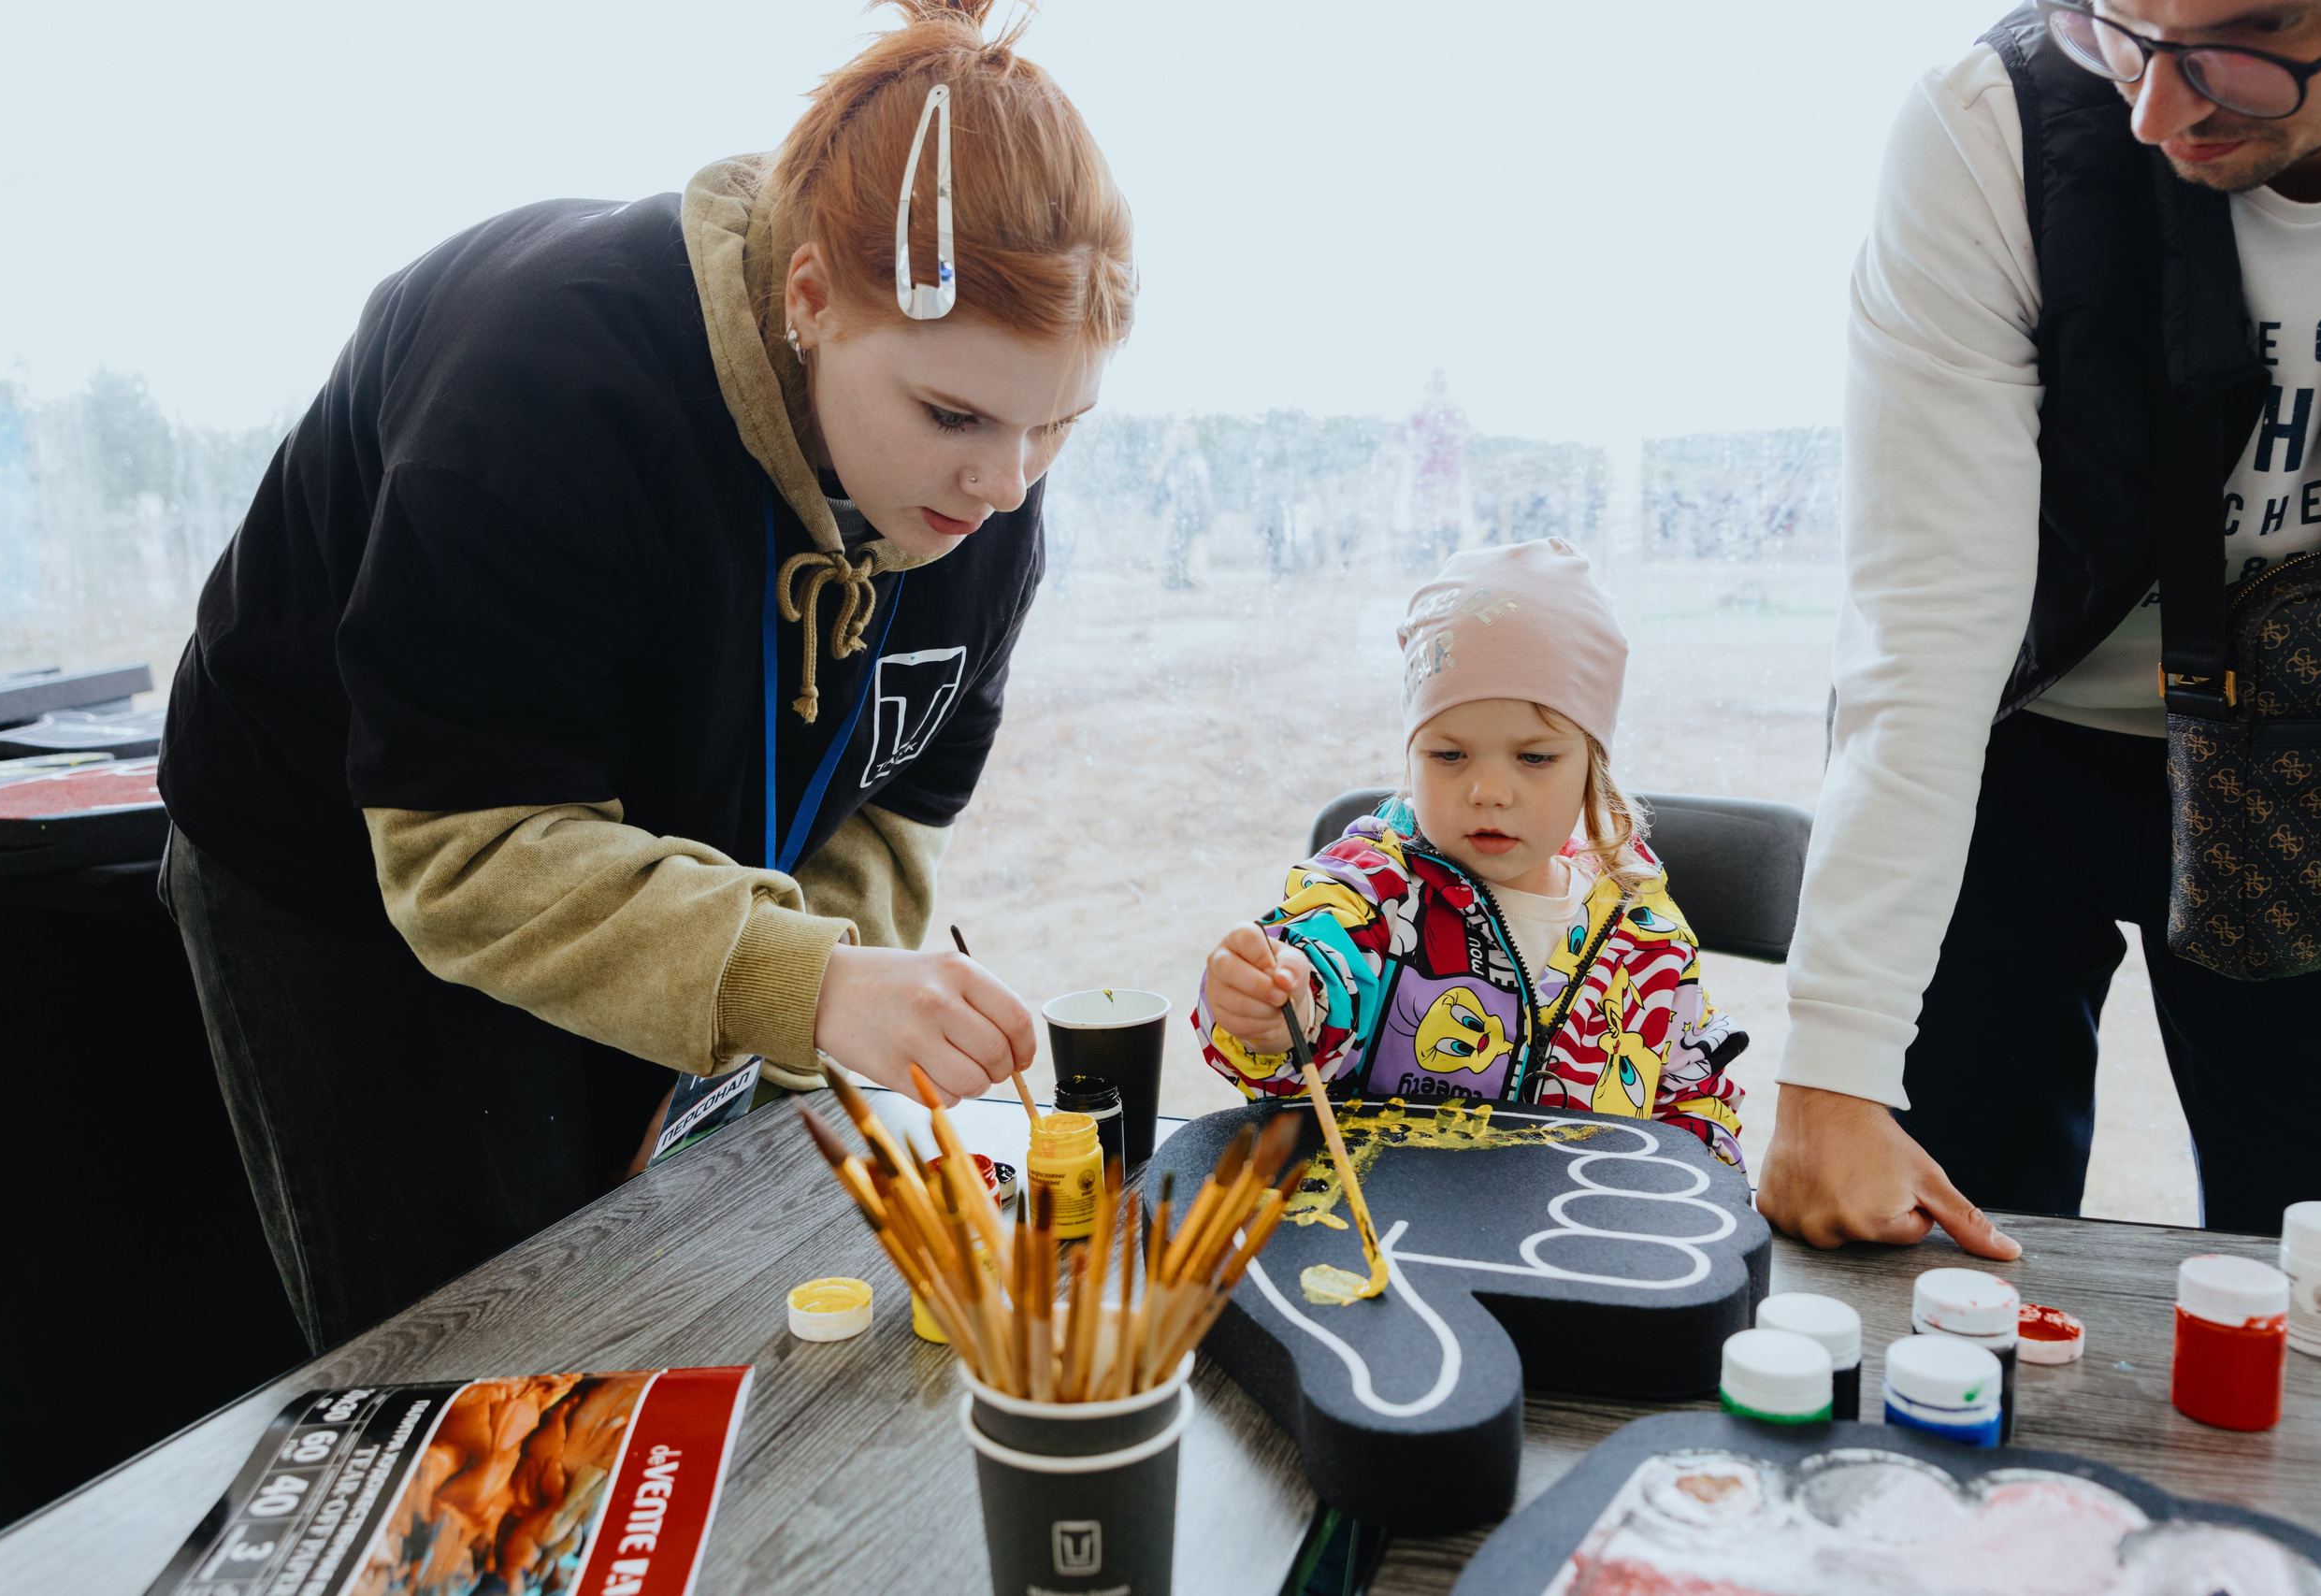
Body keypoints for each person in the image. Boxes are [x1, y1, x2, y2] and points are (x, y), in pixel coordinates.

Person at [155, 0, 1134, 1350]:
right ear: (808, 301)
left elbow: (890, 813)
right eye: (952, 414)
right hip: (351, 870)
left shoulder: (990, 500)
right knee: (473, 1354)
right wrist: (812, 983)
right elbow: (468, 851)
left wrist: (805, 1002)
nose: (1003, 484)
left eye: (1056, 426)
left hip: (643, 846)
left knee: (668, 1270)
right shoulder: (545, 389)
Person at [1764, 0, 2321, 1254]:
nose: (2155, 111)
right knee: (1932, 1231)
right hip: (2013, 739)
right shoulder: (1996, 130)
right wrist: (1833, 1063)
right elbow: (1925, 621)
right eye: (2123, 27)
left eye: (2239, 44)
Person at [1192, 540, 1749, 1168]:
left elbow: (1692, 1095)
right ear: (1411, 753)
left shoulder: (1645, 934)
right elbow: (1316, 970)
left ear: (1592, 766)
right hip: (1385, 1244)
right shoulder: (1375, 889)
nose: (1487, 791)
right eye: (1448, 755)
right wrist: (1277, 1006)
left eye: (1534, 757)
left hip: (1580, 1248)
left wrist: (1700, 1177)